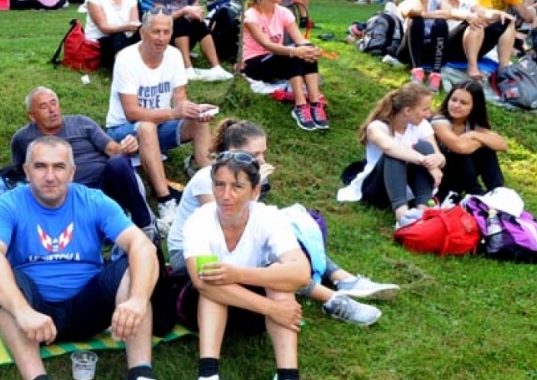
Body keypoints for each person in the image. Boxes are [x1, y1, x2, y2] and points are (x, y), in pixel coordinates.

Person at [0, 136, 173, 380]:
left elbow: (141, 245)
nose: (50, 175)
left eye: (58, 167)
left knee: (134, 266)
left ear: (72, 171)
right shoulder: (8, 204)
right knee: (2, 281)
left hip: (90, 308)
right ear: (26, 171)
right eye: (40, 166)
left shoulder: (93, 200)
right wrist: (23, 310)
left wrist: (137, 300)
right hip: (34, 315)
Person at [168, 118, 396, 327]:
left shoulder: (244, 179)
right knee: (275, 262)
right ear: (234, 153)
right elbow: (225, 219)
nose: (262, 161)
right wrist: (256, 187)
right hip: (191, 256)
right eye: (255, 155)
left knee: (287, 243)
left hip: (232, 243)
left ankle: (343, 279)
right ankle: (333, 299)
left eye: (263, 154)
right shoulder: (208, 179)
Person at [182, 152, 317, 380]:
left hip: (250, 309)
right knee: (213, 281)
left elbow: (301, 273)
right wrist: (271, 308)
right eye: (219, 185)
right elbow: (201, 281)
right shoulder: (200, 220)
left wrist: (240, 274)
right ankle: (207, 379)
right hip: (201, 306)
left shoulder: (269, 217)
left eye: (236, 186)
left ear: (255, 191)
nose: (225, 195)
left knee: (280, 282)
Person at [105, 9, 214, 234]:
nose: (161, 38)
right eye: (156, 32)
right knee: (146, 126)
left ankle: (213, 184)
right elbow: (131, 112)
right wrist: (174, 113)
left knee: (200, 122)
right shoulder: (126, 58)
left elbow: (180, 98)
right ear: (143, 33)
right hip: (122, 130)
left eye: (166, 32)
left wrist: (193, 111)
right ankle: (165, 201)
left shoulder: (174, 55)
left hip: (161, 124)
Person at [11, 87, 156, 239]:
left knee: (119, 163)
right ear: (32, 116)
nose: (52, 110)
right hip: (66, 195)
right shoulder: (22, 139)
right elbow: (19, 173)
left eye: (54, 103)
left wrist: (127, 146)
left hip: (103, 185)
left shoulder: (81, 123)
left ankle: (145, 225)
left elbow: (114, 150)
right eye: (43, 106)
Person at [336, 83, 445, 229]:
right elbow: (389, 147)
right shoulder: (377, 127)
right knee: (394, 154)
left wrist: (438, 160)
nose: (428, 114)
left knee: (424, 147)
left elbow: (437, 154)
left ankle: (423, 209)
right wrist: (425, 161)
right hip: (376, 187)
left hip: (406, 186)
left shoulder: (422, 125)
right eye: (424, 109)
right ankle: (402, 216)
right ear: (408, 110)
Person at [242, 0, 327, 132]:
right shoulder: (251, 16)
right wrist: (295, 51)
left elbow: (299, 38)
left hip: (278, 58)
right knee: (292, 54)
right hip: (256, 63)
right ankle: (300, 105)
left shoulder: (283, 12)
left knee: (305, 50)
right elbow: (267, 45)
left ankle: (315, 103)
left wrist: (311, 47)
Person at [152, 0, 233, 82]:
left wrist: (195, 14)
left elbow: (196, 11)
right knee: (180, 22)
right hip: (169, 36)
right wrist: (183, 11)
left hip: (188, 33)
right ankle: (187, 68)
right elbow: (162, 19)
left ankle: (216, 66)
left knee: (199, 23)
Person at [431, 80, 506, 199]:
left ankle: (498, 191)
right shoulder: (439, 121)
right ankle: (476, 194)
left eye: (463, 103)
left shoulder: (471, 125)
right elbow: (459, 147)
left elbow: (502, 144)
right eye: (453, 100)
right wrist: (479, 142)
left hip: (459, 179)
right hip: (439, 179)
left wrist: (474, 135)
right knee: (462, 151)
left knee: (487, 150)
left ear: (474, 106)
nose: (456, 105)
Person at [397, 0, 451, 92]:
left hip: (432, 50)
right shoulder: (408, 1)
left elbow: (447, 13)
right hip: (409, 52)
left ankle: (435, 75)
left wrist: (427, 14)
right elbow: (410, 11)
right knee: (416, 20)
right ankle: (417, 72)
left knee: (441, 23)